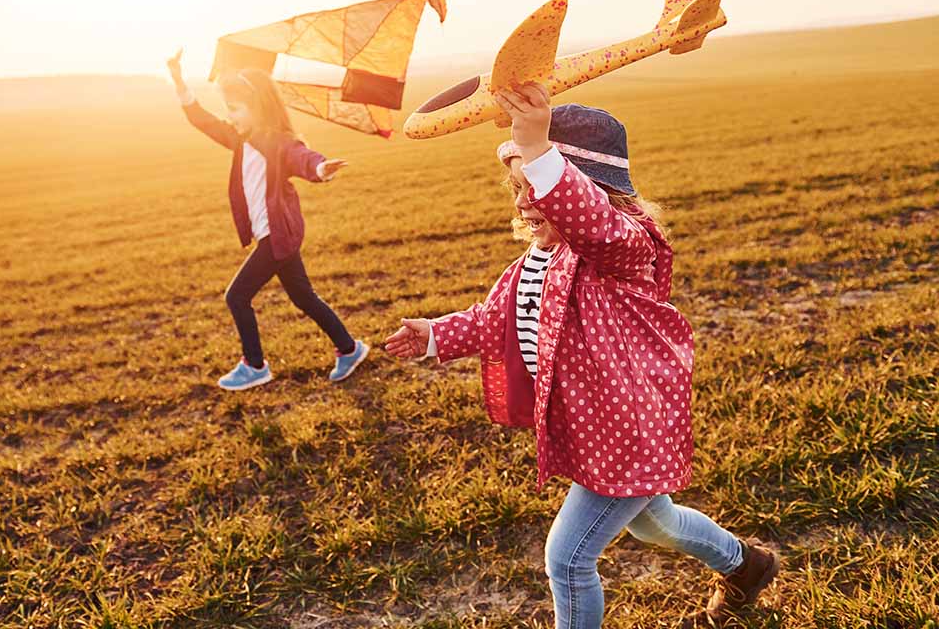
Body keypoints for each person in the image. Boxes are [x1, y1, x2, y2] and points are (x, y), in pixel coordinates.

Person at [384, 82, 779, 628]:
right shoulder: (538, 258)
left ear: (585, 190)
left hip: (626, 428)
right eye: (516, 187)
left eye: (535, 187)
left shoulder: (624, 246)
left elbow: (594, 224)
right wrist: (433, 335)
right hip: (597, 429)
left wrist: (537, 146)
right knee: (654, 524)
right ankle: (747, 566)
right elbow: (494, 319)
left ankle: (743, 567)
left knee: (567, 559)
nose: (524, 201)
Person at [166, 49, 368, 390]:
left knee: (237, 296)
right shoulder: (239, 138)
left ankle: (255, 365)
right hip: (272, 237)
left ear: (256, 108)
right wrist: (178, 81)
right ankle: (350, 349)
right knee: (303, 297)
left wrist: (320, 168)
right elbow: (202, 120)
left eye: (235, 109)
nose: (230, 116)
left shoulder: (274, 142)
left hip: (278, 236)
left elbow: (299, 156)